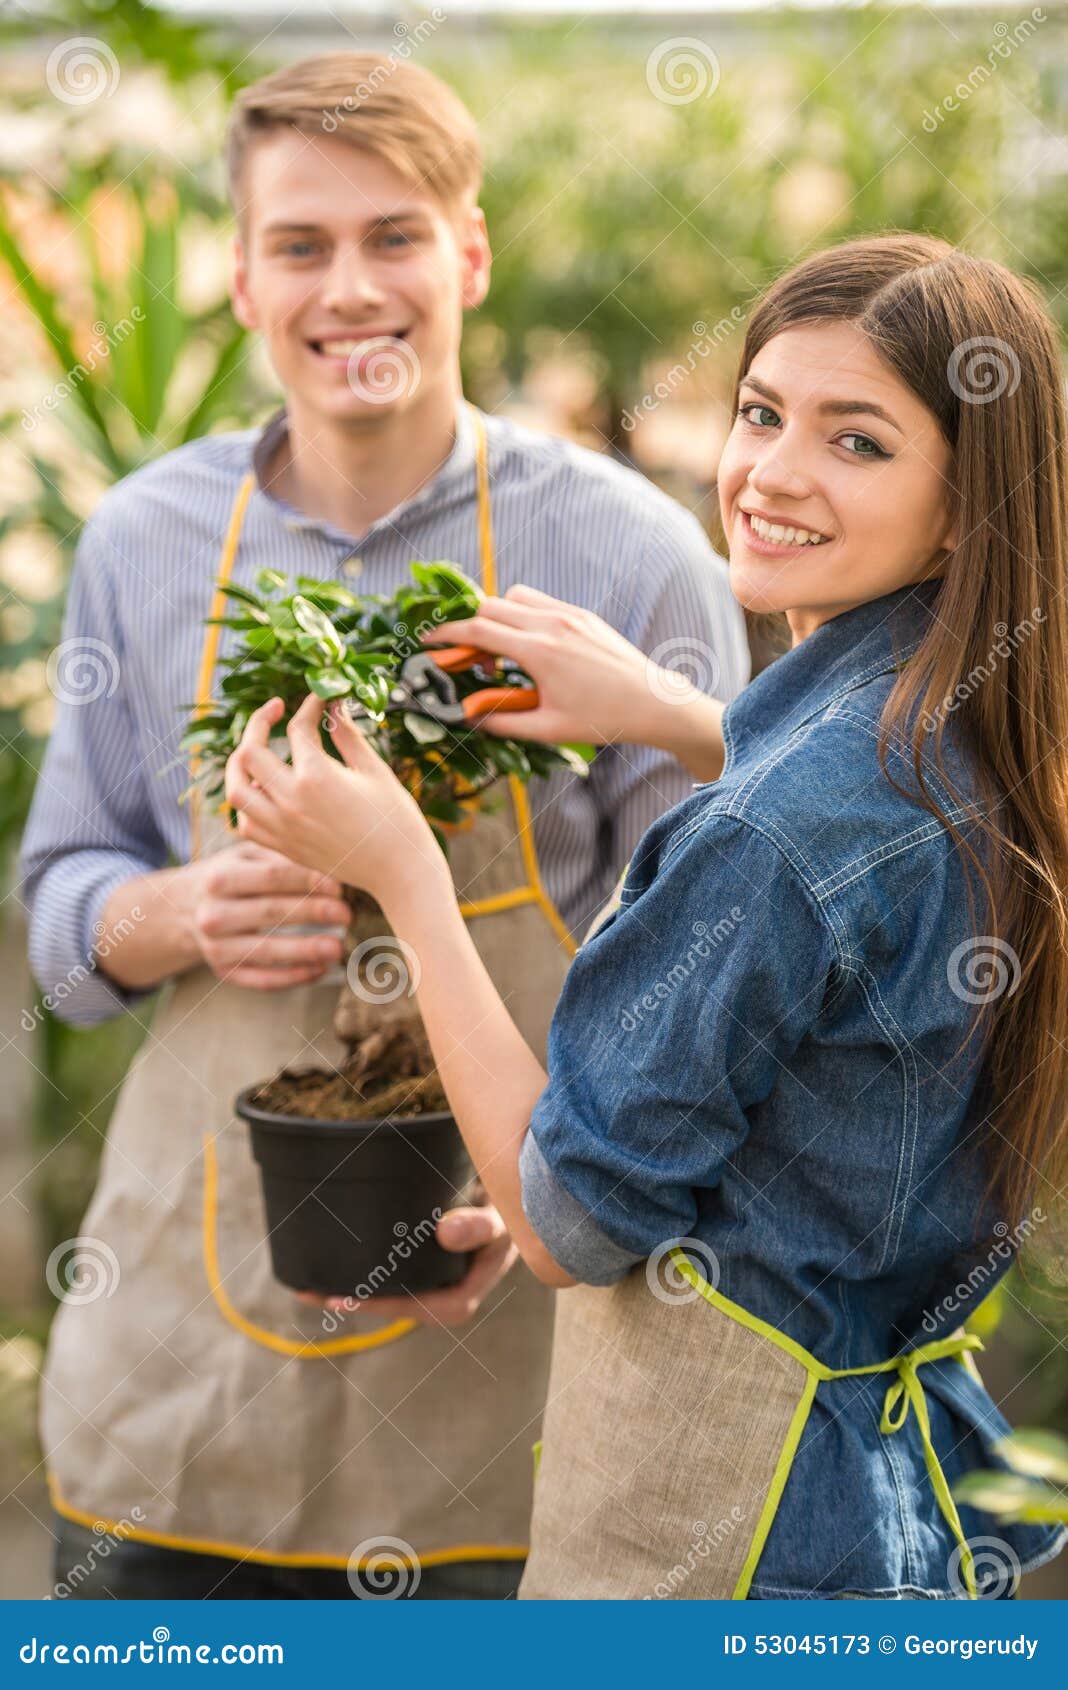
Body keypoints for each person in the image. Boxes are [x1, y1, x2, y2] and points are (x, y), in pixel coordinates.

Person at [227, 233, 1068, 1599]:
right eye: (760, 412)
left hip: (741, 1541)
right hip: (882, 1506)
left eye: (858, 442)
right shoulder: (991, 737)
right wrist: (682, 718)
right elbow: (848, 898)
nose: (772, 473)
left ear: (967, 501)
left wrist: (405, 878)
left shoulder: (773, 833)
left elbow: (562, 1227)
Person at [18, 53, 749, 1599]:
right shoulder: (146, 540)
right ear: (241, 275)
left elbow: (712, 965)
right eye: (302, 244)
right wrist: (171, 910)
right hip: (185, 1375)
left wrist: (557, 1181)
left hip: (521, 1364)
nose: (352, 286)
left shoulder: (630, 553)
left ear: (468, 253)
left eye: (395, 236)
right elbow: (62, 913)